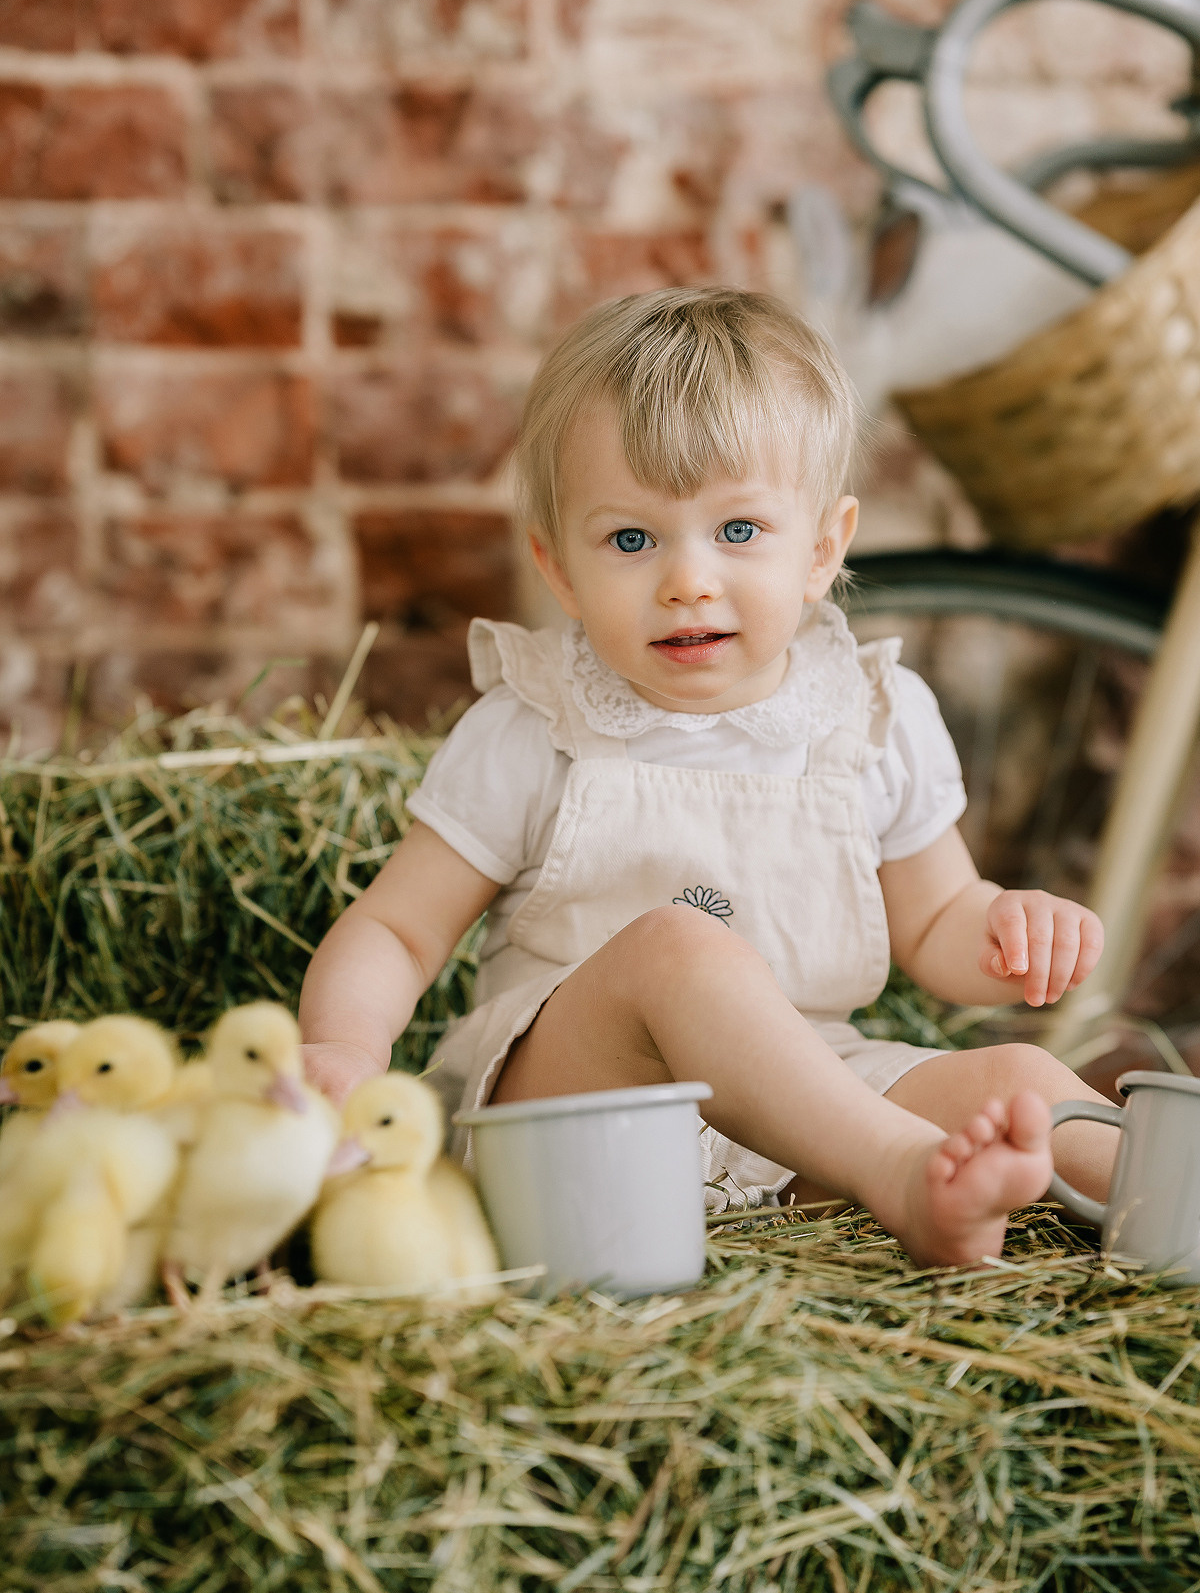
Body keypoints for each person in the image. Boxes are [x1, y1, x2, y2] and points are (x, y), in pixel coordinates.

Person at [300, 287, 1117, 1267]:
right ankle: (907, 1178)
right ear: (559, 570)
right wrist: (345, 1051)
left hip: (800, 1126)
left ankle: (1162, 1192)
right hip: (581, 1122)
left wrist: (1005, 933)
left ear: (821, 548)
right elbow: (399, 925)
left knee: (1024, 1081)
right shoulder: (537, 722)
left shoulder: (871, 720)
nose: (688, 579)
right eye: (632, 540)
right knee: (678, 953)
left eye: (737, 532)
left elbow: (938, 924)